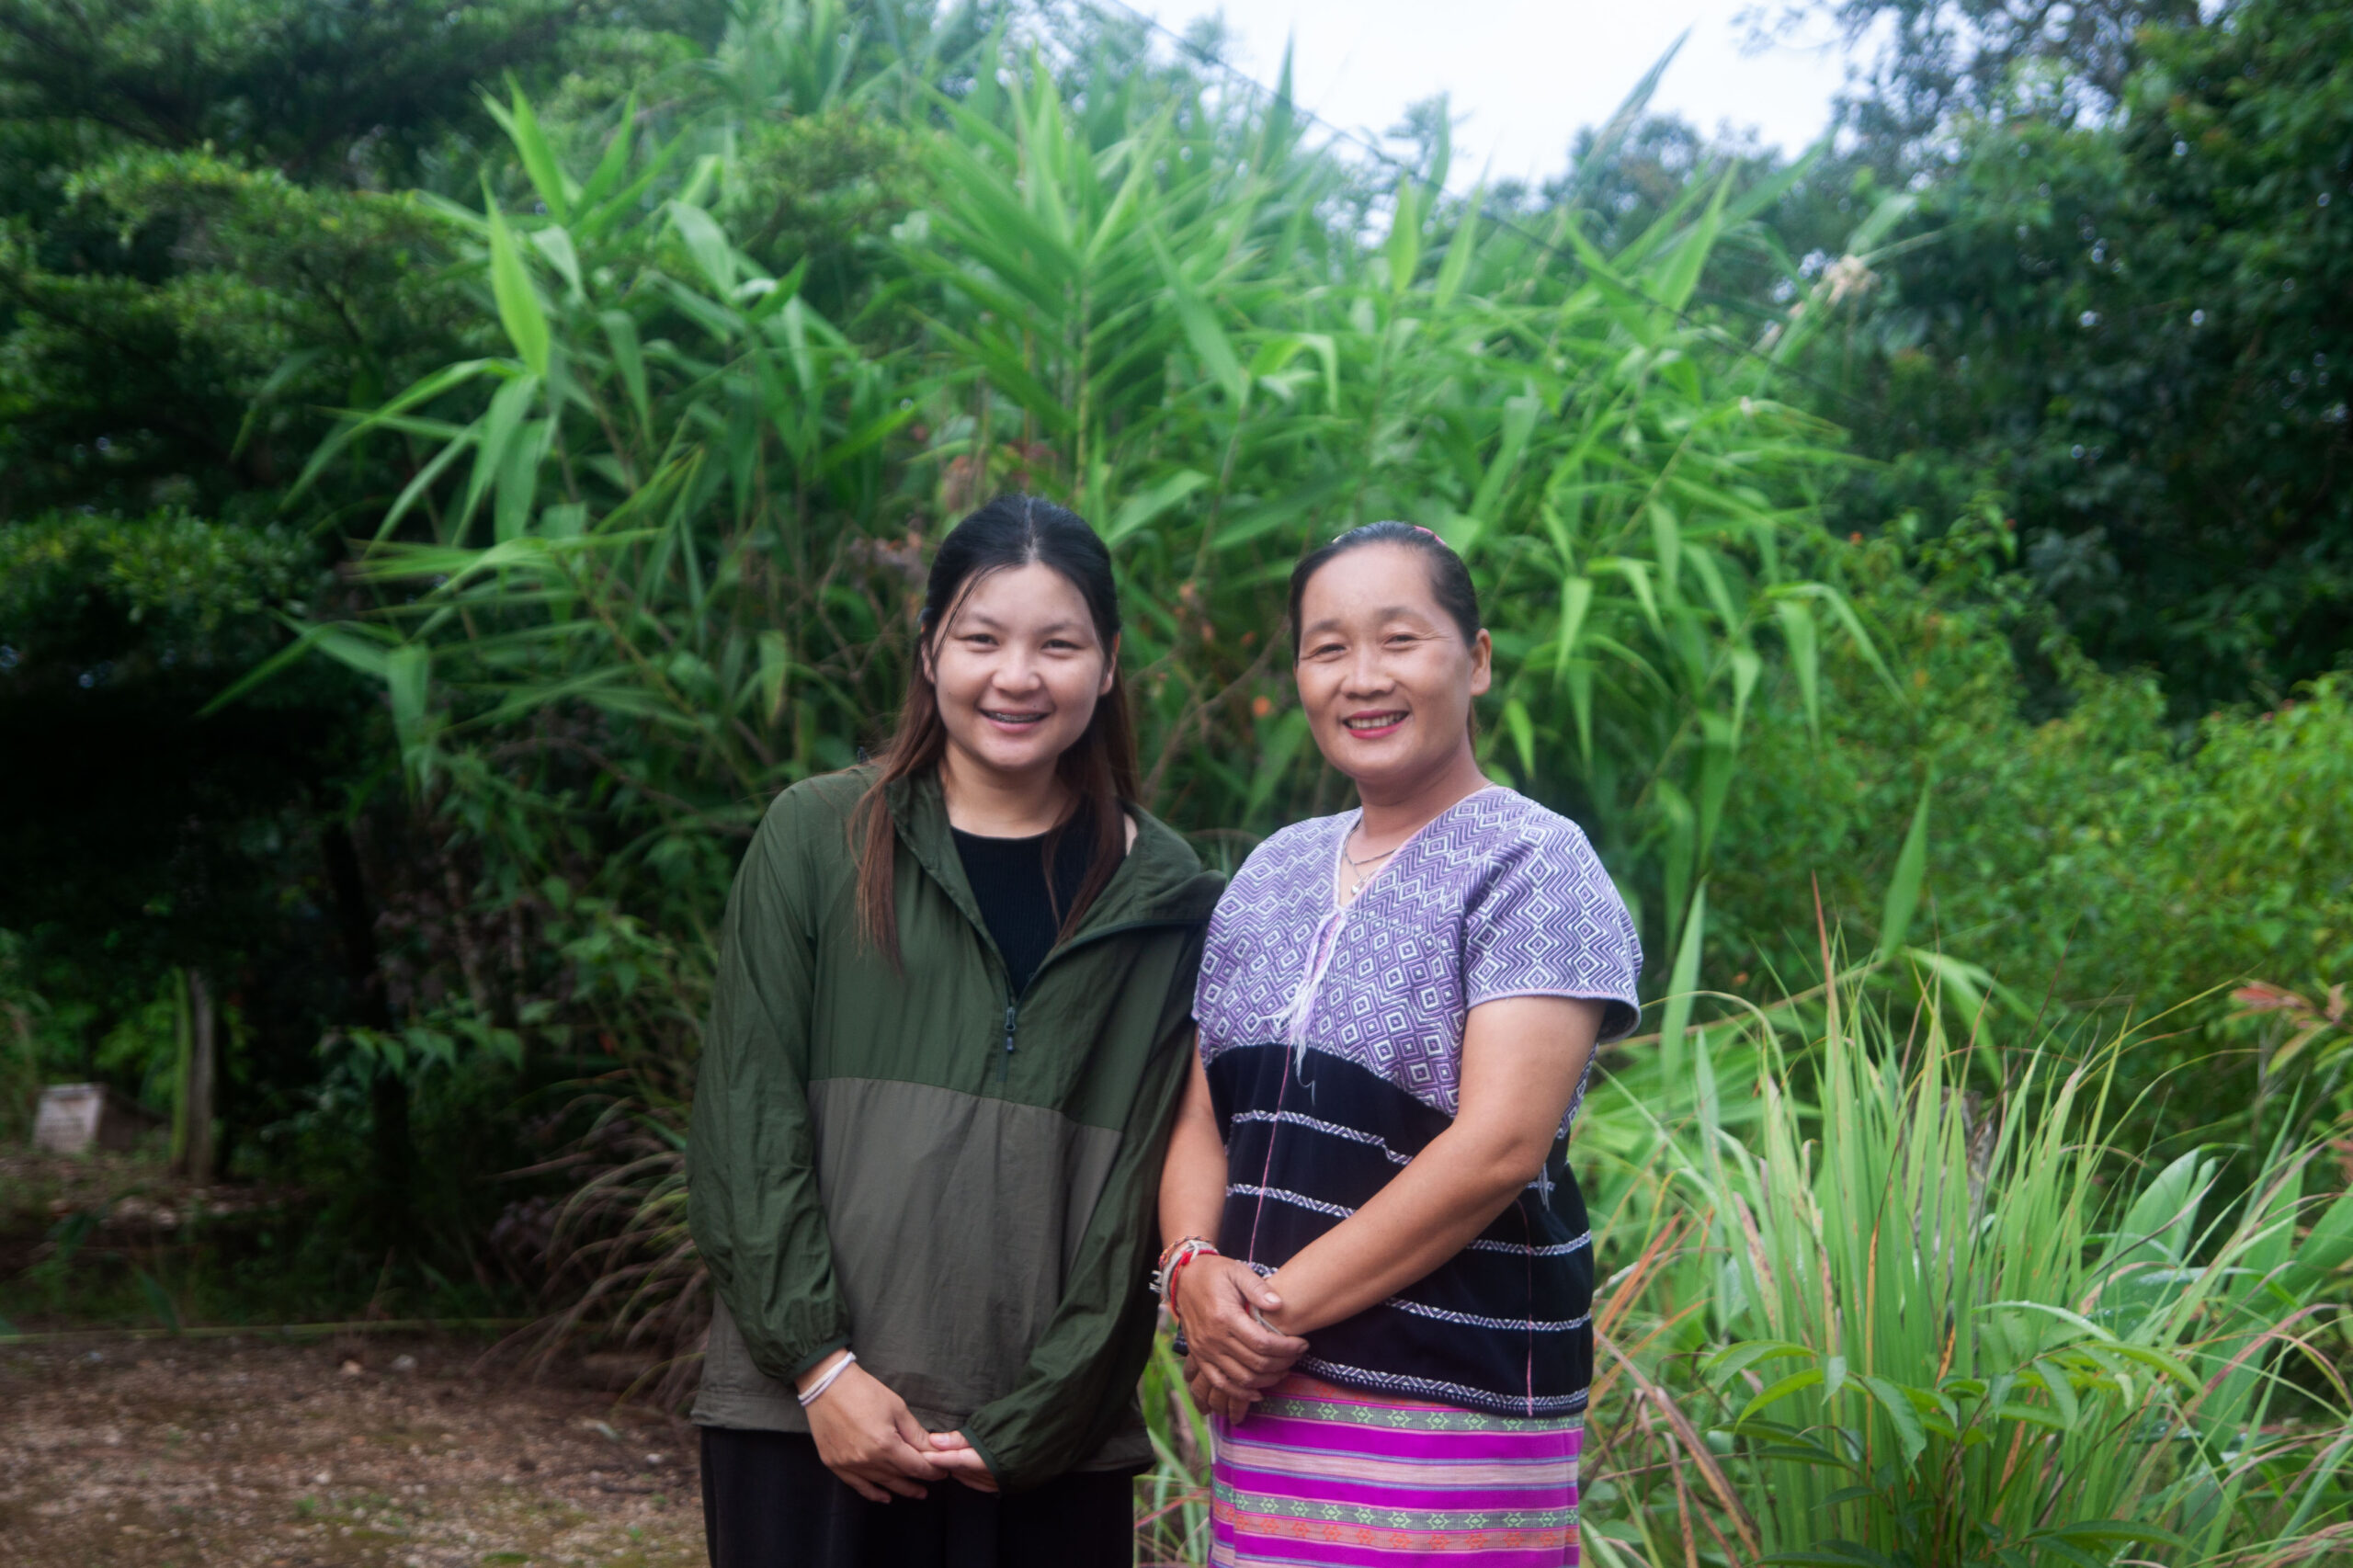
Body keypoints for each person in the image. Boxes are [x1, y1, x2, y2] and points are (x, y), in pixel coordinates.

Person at [688, 494, 1224, 1567]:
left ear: (1109, 663)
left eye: (1057, 643)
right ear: (930, 648)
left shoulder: (1167, 896)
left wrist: (1036, 1419)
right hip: (804, 1420)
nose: (1015, 675)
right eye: (981, 638)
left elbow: (1137, 1197)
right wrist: (820, 1368)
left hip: (1043, 1449)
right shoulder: (817, 836)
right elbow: (746, 1123)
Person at [1157, 521, 1643, 1567]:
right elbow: (1204, 1111)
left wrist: (1257, 1316)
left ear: (1473, 659)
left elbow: (1499, 1148)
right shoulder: (1271, 871)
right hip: (1269, 1418)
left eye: (1398, 639)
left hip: (1449, 1426)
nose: (1361, 677)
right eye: (1326, 647)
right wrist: (1192, 1271)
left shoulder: (1535, 865)